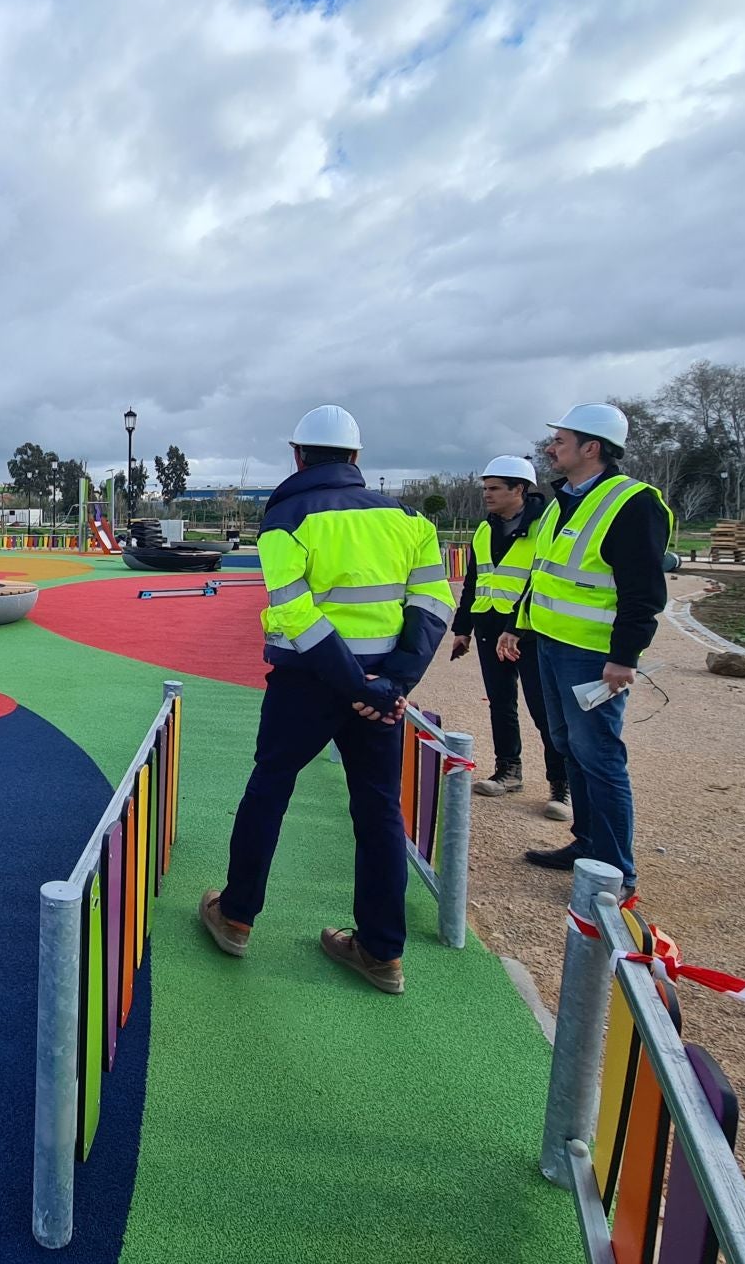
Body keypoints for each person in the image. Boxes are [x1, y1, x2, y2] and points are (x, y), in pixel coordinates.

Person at [198, 404, 453, 994]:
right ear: (358, 459)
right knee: (379, 810)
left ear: (298, 456)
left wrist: (351, 685)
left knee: (269, 788)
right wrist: (390, 686)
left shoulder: (287, 516)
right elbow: (432, 606)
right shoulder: (409, 518)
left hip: (309, 681)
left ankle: (236, 917)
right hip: (383, 687)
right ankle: (382, 953)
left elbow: (293, 609)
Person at [497, 404, 672, 894]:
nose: (551, 449)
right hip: (551, 645)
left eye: (561, 441)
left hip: (593, 656)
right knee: (570, 746)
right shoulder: (562, 501)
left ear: (591, 448)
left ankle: (616, 874)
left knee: (599, 755)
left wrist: (625, 657)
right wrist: (519, 626)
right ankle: (587, 844)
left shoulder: (634, 503)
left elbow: (643, 593)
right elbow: (545, 574)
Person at [449, 456, 570, 821]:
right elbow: (474, 581)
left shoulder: (546, 526)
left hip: (530, 632)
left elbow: (543, 581)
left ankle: (561, 785)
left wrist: (516, 628)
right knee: (500, 703)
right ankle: (508, 771)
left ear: (519, 489)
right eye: (485, 488)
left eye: (494, 488)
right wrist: (462, 630)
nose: (486, 494)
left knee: (544, 710)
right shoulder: (484, 530)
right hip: (488, 628)